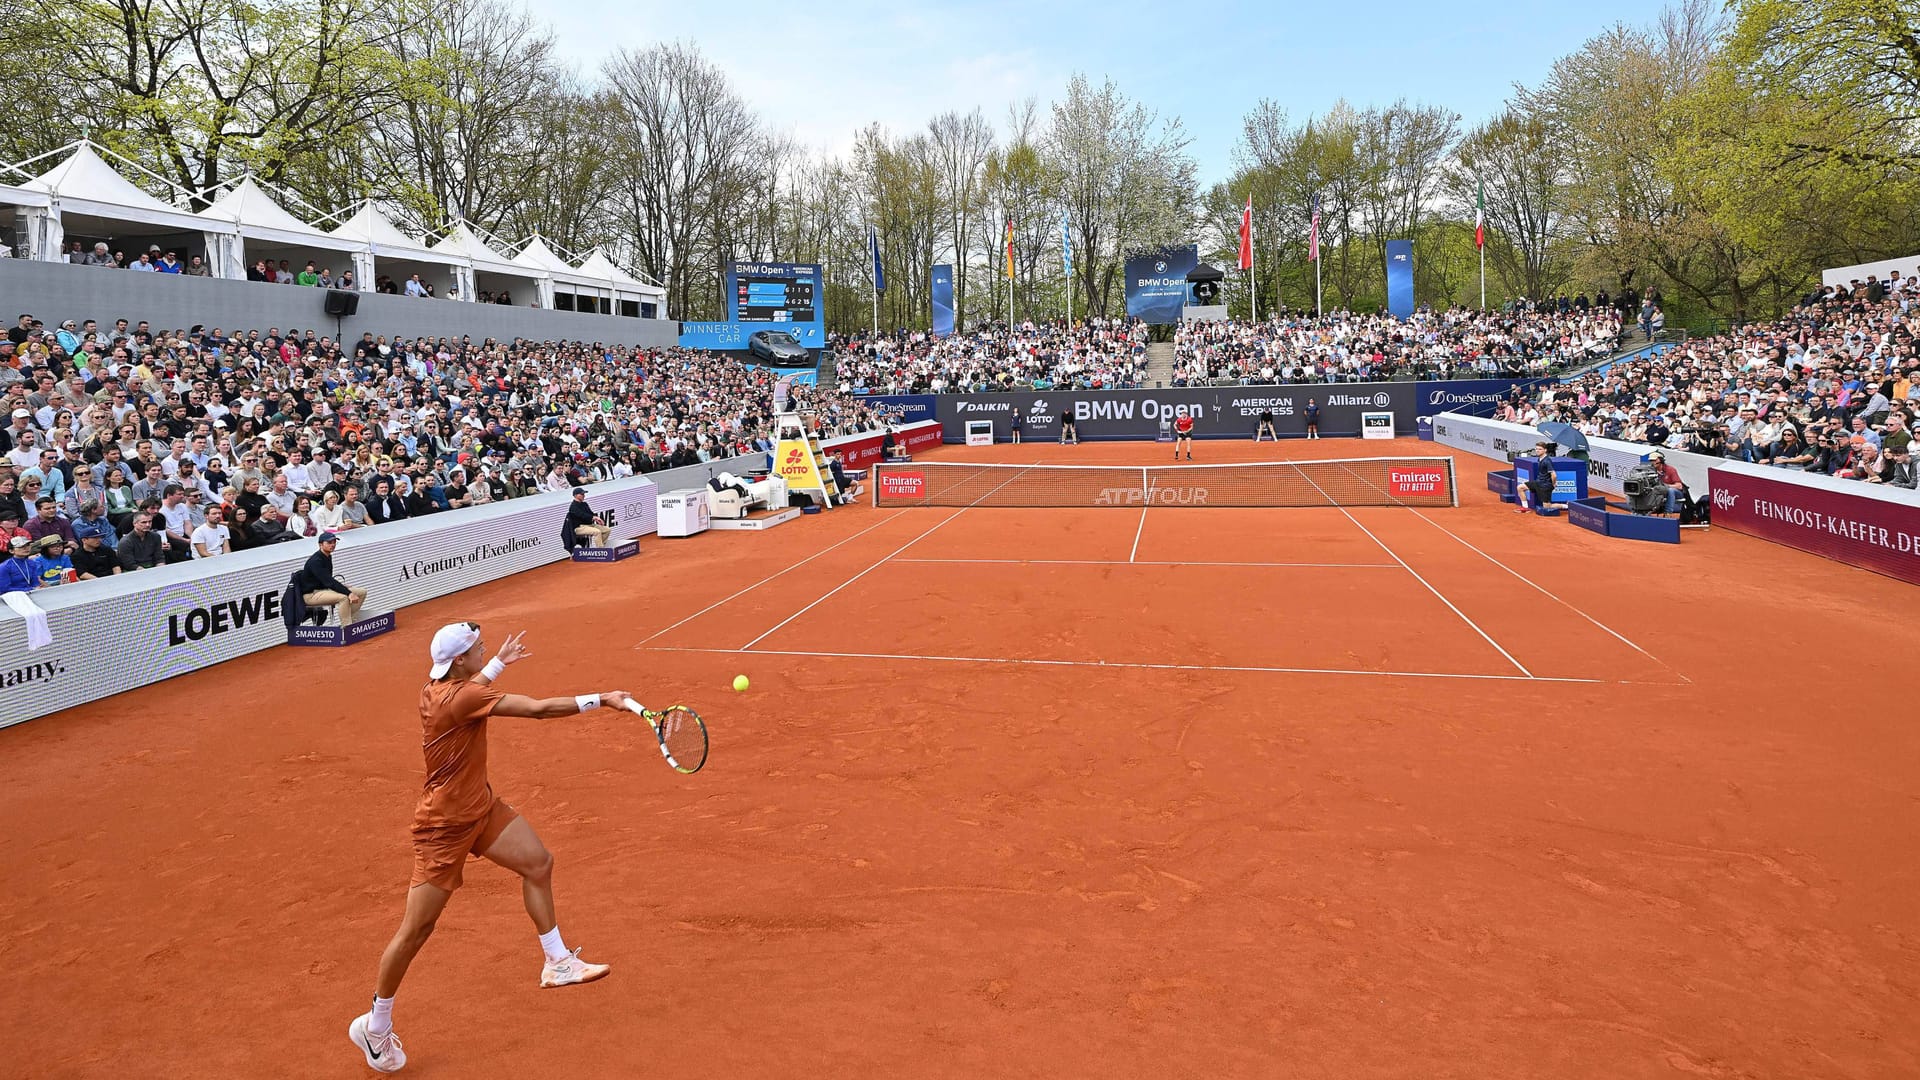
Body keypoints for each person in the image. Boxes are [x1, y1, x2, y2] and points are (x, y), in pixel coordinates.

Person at [350, 624, 627, 1073]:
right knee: (416, 930)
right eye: (478, 649)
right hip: (443, 828)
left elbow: (474, 686)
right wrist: (603, 699)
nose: (483, 651)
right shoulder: (464, 698)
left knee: (538, 863)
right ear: (459, 661)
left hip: (479, 808)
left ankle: (557, 962)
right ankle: (375, 1024)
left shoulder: (437, 688)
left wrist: (498, 661)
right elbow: (537, 709)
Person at [295, 531, 367, 626]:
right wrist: (348, 592)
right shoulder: (315, 561)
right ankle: (346, 627)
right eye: (329, 543)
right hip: (310, 594)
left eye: (334, 542)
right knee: (344, 597)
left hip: (323, 589)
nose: (333, 545)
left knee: (361, 592)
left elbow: (327, 580)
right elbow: (329, 582)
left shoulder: (327, 556)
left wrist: (342, 587)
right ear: (321, 544)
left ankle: (351, 620)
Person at [1517, 442, 1557, 514]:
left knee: (1547, 507)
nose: (1537, 451)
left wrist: (1553, 484)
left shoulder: (1547, 461)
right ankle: (1525, 508)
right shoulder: (1540, 459)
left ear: (1545, 450)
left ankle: (1566, 506)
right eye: (1536, 449)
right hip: (1538, 482)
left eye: (1540, 449)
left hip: (1545, 485)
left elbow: (1554, 475)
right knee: (1520, 487)